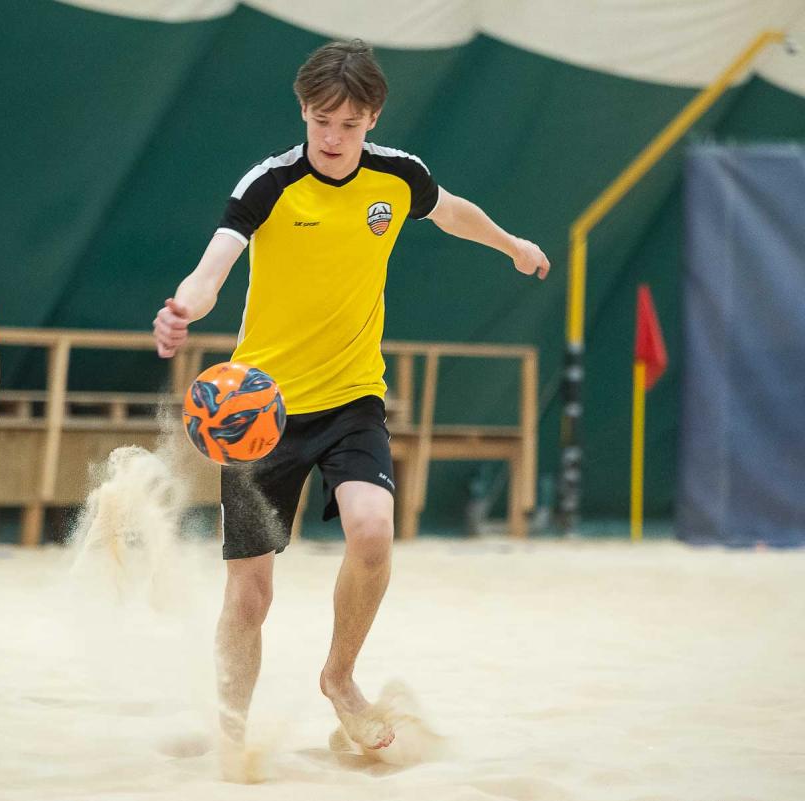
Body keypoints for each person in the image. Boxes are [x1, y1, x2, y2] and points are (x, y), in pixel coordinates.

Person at [152, 40, 550, 753]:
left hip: (351, 399)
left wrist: (511, 244)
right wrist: (184, 306)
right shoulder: (270, 183)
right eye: (320, 121)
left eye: (348, 124)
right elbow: (214, 267)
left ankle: (339, 677)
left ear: (373, 119)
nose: (333, 137)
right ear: (303, 112)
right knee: (250, 594)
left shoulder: (398, 177)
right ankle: (231, 735)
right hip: (258, 411)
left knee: (371, 532)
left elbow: (450, 211)